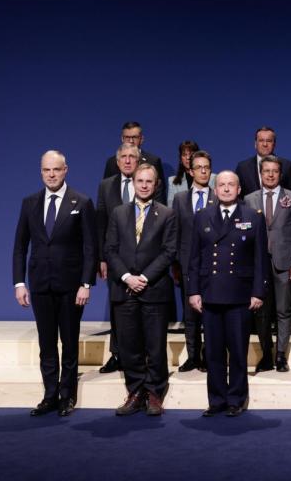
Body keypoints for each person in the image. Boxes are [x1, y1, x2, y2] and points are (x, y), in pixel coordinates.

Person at [12, 150, 96, 417]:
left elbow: (90, 247)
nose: (51, 174)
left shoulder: (81, 202)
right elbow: (19, 246)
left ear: (65, 170)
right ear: (41, 171)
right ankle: (49, 395)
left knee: (69, 343)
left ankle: (67, 396)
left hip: (71, 287)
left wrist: (86, 283)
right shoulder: (30, 203)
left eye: (56, 170)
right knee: (46, 343)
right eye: (47, 170)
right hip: (39, 285)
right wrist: (18, 283)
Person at [187, 171, 268, 417]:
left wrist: (258, 292)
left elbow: (260, 259)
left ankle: (235, 399)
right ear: (215, 189)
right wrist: (194, 291)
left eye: (231, 184)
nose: (225, 189)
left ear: (239, 188)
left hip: (240, 294)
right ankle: (216, 400)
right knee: (213, 351)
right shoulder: (202, 217)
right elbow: (194, 257)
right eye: (221, 185)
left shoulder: (253, 217)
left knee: (237, 350)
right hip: (210, 293)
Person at [104, 163, 177, 416]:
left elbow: (169, 252)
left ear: (156, 185)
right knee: (129, 345)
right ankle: (135, 391)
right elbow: (110, 249)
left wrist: (144, 277)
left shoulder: (167, 214)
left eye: (149, 181)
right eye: (140, 181)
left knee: (155, 346)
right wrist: (127, 277)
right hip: (124, 289)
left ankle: (155, 392)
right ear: (133, 183)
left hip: (153, 289)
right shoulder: (118, 213)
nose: (144, 185)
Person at [97, 143, 157, 373]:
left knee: (142, 309)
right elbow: (100, 221)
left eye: (133, 156)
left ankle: (141, 355)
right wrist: (102, 257)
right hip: (115, 259)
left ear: (139, 159)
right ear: (117, 160)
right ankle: (117, 354)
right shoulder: (106, 186)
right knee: (118, 306)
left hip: (144, 259)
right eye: (124, 156)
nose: (128, 160)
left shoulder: (147, 183)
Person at [244, 156, 291, 373]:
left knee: (283, 310)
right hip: (258, 263)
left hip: (284, 262)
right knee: (261, 312)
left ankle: (280, 355)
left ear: (280, 174)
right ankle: (266, 355)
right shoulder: (249, 199)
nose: (270, 174)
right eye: (266, 170)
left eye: (274, 171)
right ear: (261, 173)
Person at [171, 150, 215, 372]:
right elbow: (175, 233)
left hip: (213, 266)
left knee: (210, 314)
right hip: (188, 265)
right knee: (190, 315)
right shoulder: (180, 199)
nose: (204, 171)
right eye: (199, 167)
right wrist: (176, 264)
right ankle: (192, 356)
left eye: (207, 167)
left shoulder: (218, 196)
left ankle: (209, 355)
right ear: (190, 171)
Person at [102, 121, 166, 203]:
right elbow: (106, 193)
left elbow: (160, 196)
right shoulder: (112, 162)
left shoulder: (153, 161)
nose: (131, 141)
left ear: (141, 139)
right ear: (122, 139)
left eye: (134, 137)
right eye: (127, 137)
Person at [234, 126, 291, 197]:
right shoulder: (243, 168)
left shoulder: (287, 166)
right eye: (261, 140)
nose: (265, 144)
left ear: (274, 144)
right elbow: (237, 197)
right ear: (255, 144)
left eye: (269, 141)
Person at [167, 140, 214, 205]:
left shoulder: (213, 178)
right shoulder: (172, 181)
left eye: (191, 154)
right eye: (184, 155)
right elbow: (171, 207)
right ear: (180, 158)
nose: (188, 157)